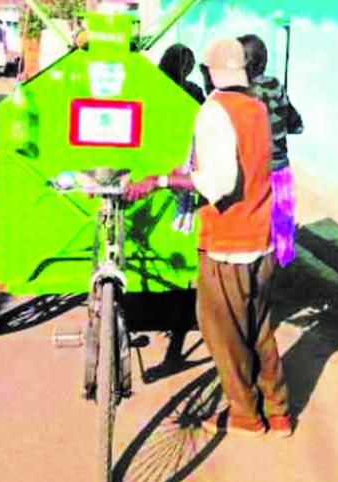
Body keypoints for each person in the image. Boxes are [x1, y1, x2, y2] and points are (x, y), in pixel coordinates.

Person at [124, 38, 291, 438]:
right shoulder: (256, 106)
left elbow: (219, 183)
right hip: (261, 236)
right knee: (258, 329)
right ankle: (279, 412)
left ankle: (246, 415)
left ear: (209, 72)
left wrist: (160, 181)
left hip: (228, 242)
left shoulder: (215, 110)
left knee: (223, 334)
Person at [238, 33, 303, 267]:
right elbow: (296, 124)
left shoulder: (241, 91)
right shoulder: (276, 85)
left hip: (253, 169)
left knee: (252, 227)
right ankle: (283, 266)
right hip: (280, 165)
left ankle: (255, 269)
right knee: (282, 223)